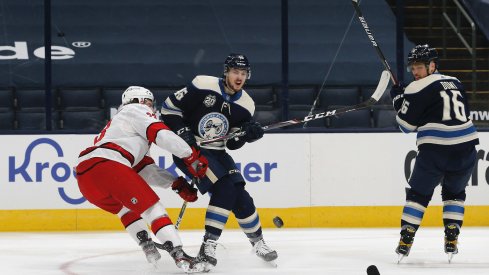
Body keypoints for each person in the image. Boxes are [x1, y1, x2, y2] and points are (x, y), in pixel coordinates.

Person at [160, 53, 278, 270]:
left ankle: (258, 242)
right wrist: (183, 131)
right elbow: (167, 109)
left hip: (219, 153)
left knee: (241, 196)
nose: (239, 77)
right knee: (225, 189)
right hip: (190, 151)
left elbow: (232, 143)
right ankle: (208, 246)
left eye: (243, 73)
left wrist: (245, 135)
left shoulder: (246, 105)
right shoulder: (202, 84)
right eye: (235, 72)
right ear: (226, 72)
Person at [75, 86, 209, 272]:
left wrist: (175, 183)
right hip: (108, 166)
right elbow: (160, 134)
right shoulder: (136, 110)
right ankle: (180, 256)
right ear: (140, 100)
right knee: (152, 208)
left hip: (85, 177)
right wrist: (190, 155)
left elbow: (143, 169)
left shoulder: (120, 128)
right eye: (150, 103)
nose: (152, 108)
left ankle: (148, 246)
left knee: (125, 208)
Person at [390, 44, 479, 262]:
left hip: (436, 150)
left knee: (418, 195)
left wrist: (398, 100)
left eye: (419, 67)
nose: (415, 72)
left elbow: (405, 127)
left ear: (432, 66)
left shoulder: (414, 88)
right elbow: (446, 111)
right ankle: (452, 236)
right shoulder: (455, 81)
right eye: (413, 68)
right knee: (455, 194)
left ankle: (406, 237)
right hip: (467, 149)